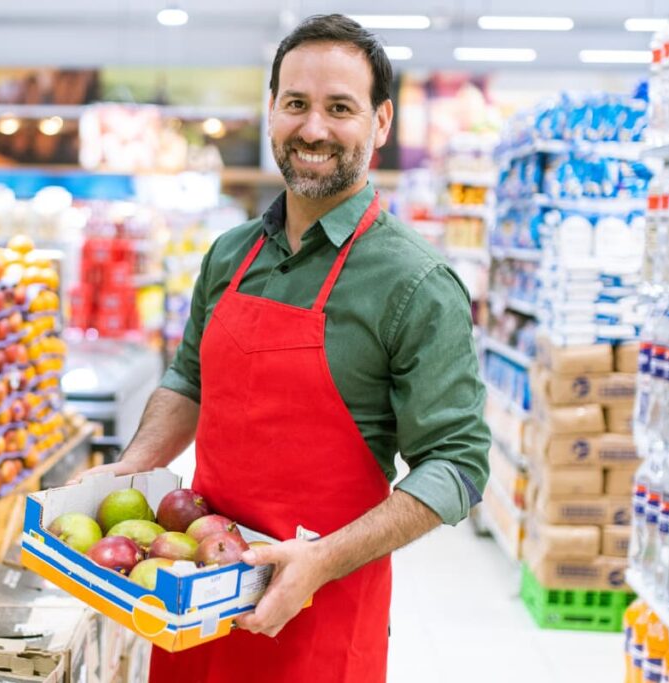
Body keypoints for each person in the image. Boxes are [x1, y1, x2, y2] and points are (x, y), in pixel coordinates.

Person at [76, 13, 491, 682]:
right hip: (193, 599)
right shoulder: (230, 255)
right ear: (271, 111)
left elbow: (458, 464)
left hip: (319, 614)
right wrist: (125, 471)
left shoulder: (416, 283)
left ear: (381, 123)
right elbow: (189, 379)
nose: (314, 128)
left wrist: (322, 560)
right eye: (296, 103)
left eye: (340, 108)